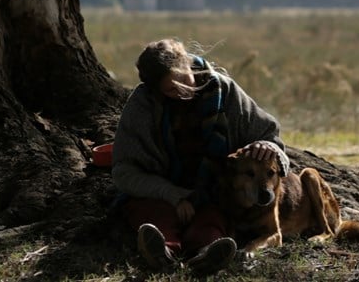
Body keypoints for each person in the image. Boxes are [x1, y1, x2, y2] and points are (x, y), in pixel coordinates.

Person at [111, 38, 290, 275]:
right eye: (171, 90)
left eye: (184, 80)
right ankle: (163, 254)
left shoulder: (224, 91)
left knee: (211, 221)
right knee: (156, 218)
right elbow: (124, 172)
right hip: (160, 194)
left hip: (211, 192)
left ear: (188, 64)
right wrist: (172, 194)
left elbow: (270, 135)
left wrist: (268, 147)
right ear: (156, 90)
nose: (183, 91)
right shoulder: (142, 106)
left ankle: (207, 255)